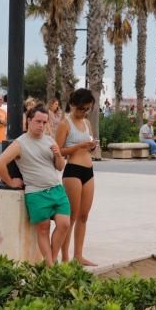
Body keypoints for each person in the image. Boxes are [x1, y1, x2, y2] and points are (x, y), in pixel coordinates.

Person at [0, 105, 70, 266]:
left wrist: (58, 155)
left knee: (64, 224)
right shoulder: (20, 143)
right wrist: (10, 182)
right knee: (43, 228)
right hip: (36, 193)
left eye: (44, 122)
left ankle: (52, 259)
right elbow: (0, 163)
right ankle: (50, 266)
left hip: (56, 189)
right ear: (29, 121)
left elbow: (59, 167)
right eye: (38, 121)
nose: (41, 125)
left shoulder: (50, 140)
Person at [56, 88, 99, 266]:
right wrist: (79, 146)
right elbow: (58, 151)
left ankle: (78, 255)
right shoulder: (65, 124)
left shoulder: (87, 123)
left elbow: (87, 145)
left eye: (87, 109)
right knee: (71, 216)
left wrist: (91, 147)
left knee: (84, 216)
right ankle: (65, 256)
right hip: (72, 170)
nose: (84, 112)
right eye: (81, 108)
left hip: (88, 170)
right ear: (73, 105)